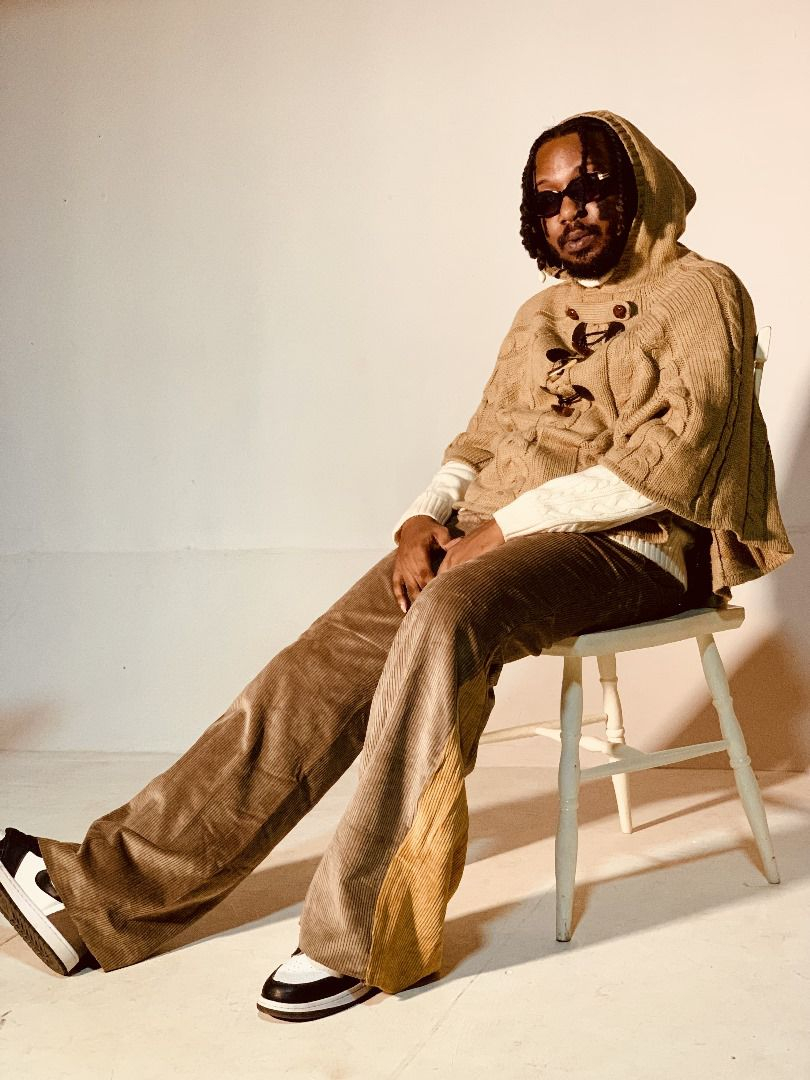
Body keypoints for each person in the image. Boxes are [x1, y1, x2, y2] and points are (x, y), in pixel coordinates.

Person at [0, 110, 793, 1022]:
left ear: (635, 186)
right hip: (503, 539)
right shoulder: (537, 314)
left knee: (451, 613)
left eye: (589, 188)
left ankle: (367, 933)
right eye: (548, 200)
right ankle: (100, 894)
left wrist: (499, 533)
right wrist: (425, 515)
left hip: (637, 548)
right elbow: (484, 438)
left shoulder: (701, 291)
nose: (570, 212)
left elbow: (672, 459)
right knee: (327, 654)